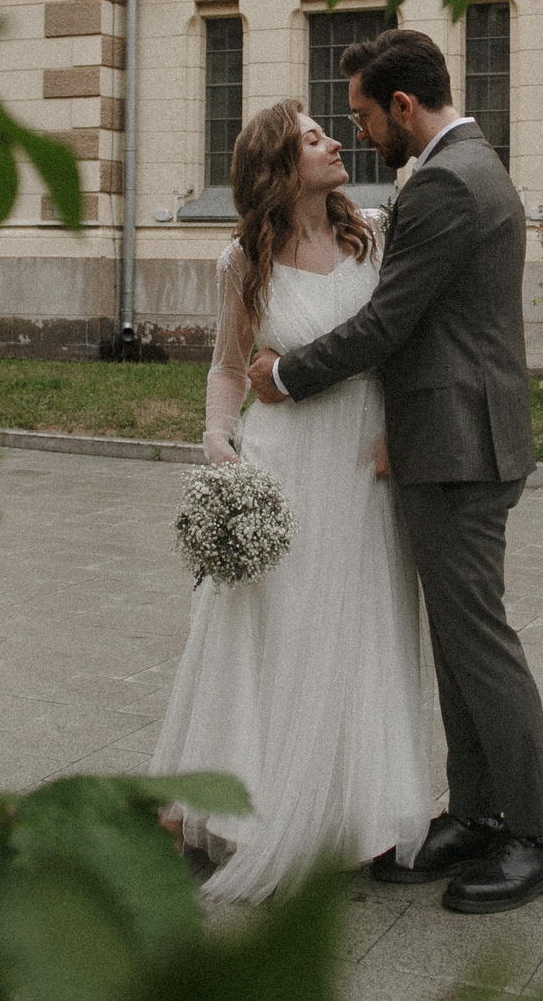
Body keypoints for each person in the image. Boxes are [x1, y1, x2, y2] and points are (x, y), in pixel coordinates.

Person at [245, 28, 543, 914]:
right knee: (460, 647)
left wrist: (286, 375)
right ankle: (476, 812)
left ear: (402, 107)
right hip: (454, 438)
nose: (358, 134)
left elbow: (386, 324)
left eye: (360, 116)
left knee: (481, 646)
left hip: (460, 446)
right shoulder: (469, 166)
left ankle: (535, 834)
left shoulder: (445, 188)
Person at [146, 101, 435, 905]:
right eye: (313, 138)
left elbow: (407, 342)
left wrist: (401, 433)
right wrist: (217, 445)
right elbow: (229, 366)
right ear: (280, 164)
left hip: (358, 459)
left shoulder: (370, 237)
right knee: (267, 625)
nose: (335, 140)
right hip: (280, 461)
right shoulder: (245, 260)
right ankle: (237, 802)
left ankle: (357, 810)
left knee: (360, 623)